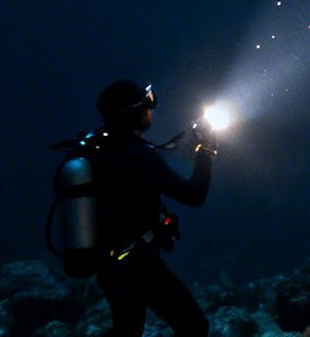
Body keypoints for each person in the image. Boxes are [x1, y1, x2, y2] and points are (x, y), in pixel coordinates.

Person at [89, 79, 216, 337]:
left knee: (127, 331)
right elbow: (194, 195)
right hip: (136, 264)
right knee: (194, 326)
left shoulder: (101, 146)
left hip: (109, 264)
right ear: (134, 113)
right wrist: (206, 151)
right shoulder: (138, 155)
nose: (151, 110)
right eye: (147, 105)